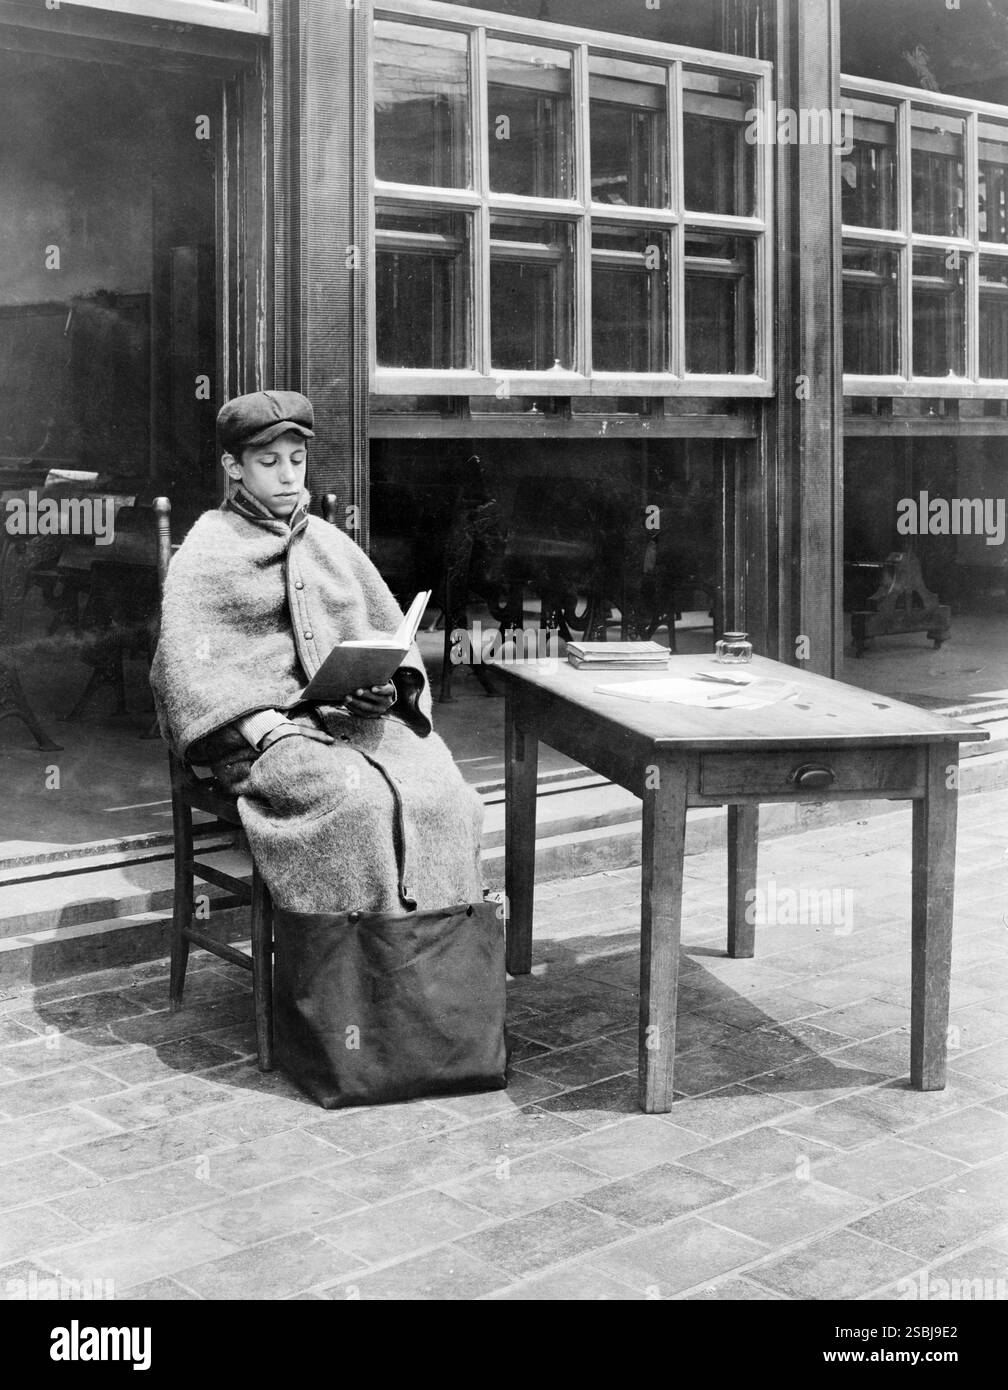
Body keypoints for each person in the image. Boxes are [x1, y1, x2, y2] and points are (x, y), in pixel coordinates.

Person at [150, 390, 485, 916]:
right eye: (269, 462)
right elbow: (186, 677)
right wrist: (263, 726)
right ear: (233, 466)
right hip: (262, 746)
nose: (288, 477)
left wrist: (386, 692)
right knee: (358, 803)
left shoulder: (332, 543)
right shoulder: (206, 551)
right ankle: (347, 972)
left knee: (444, 791)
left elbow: (386, 637)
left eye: (297, 461)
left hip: (353, 726)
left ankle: (424, 971)